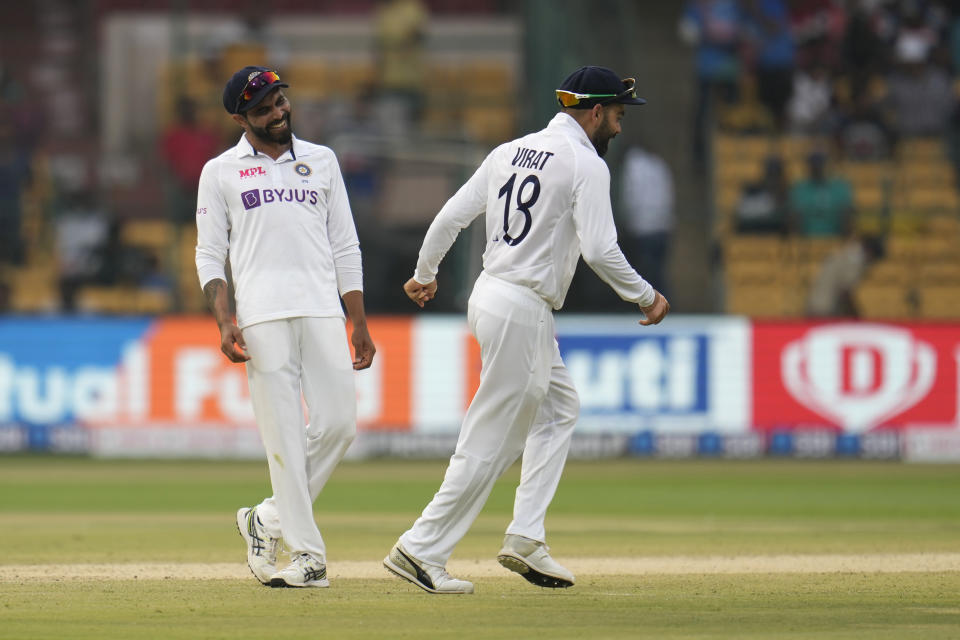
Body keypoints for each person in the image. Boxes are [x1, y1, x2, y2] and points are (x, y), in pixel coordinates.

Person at [383, 66, 670, 595]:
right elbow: (601, 250)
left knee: (560, 408)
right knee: (489, 439)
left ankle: (526, 536)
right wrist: (645, 295)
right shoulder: (586, 163)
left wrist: (424, 274)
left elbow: (451, 216)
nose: (620, 129)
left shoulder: (508, 151)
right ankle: (420, 549)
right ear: (597, 111)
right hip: (521, 306)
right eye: (619, 116)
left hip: (494, 295)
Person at [195, 66, 375, 589]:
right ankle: (308, 557)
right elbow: (209, 252)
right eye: (263, 109)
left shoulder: (322, 160)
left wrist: (357, 318)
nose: (277, 114)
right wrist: (225, 319)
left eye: (279, 103)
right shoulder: (221, 171)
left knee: (339, 424)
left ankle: (266, 519)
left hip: (322, 308)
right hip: (261, 316)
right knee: (285, 442)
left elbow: (345, 242)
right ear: (240, 118)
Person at [619, 143, 675, 299]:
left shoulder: (632, 167)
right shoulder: (659, 165)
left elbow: (631, 196)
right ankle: (665, 304)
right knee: (659, 270)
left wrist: (628, 221)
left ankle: (652, 306)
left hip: (643, 228)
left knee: (645, 274)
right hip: (663, 227)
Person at [807, 234, 885, 317]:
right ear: (870, 252)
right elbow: (845, 293)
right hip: (825, 310)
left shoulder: (845, 253)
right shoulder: (855, 262)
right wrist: (856, 317)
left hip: (814, 305)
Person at [789, 151, 854, 236]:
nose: (817, 167)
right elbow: (794, 219)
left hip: (836, 240)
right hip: (806, 240)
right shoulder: (799, 189)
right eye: (813, 164)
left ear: (826, 165)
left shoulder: (840, 188)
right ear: (809, 166)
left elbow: (847, 216)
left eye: (820, 164)